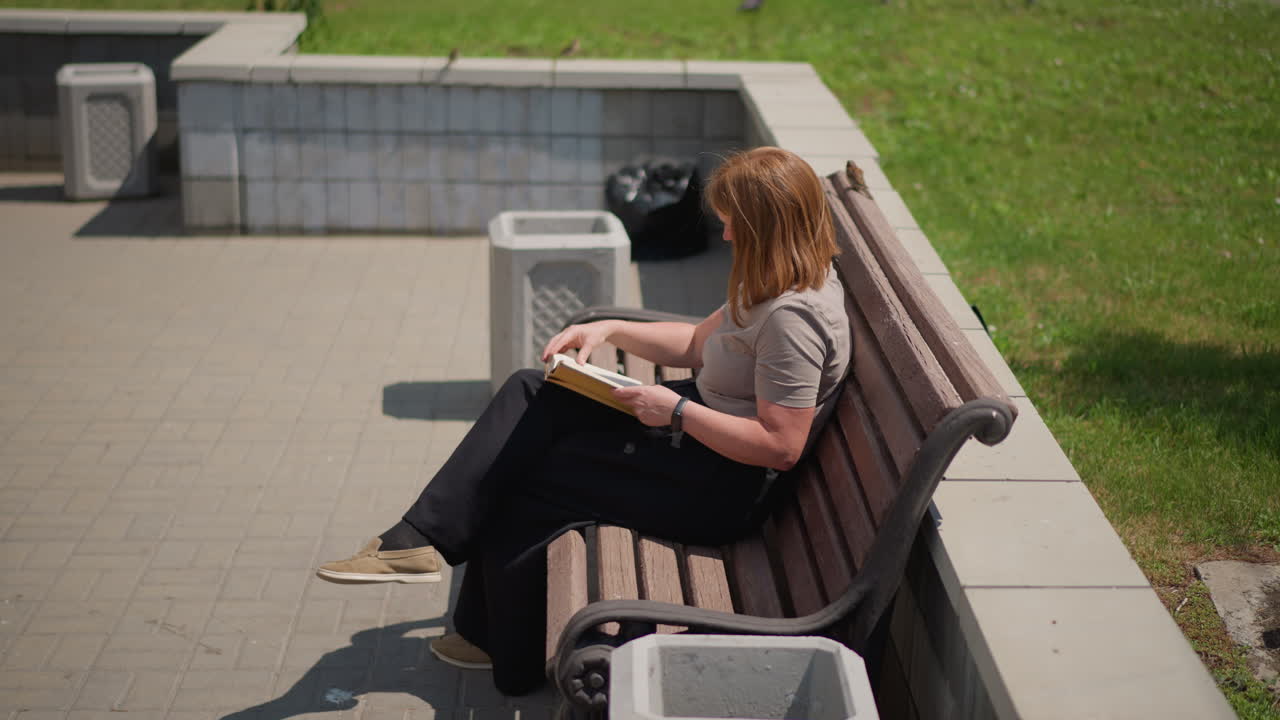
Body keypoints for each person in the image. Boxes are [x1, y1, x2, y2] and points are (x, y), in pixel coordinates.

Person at [314, 146, 853, 695]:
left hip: (715, 483)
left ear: (769, 227)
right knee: (532, 390)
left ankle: (503, 646)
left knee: (528, 472)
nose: (727, 237)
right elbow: (696, 342)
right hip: (690, 439)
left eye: (735, 225)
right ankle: (422, 546)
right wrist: (609, 330)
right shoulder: (772, 280)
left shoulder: (794, 319)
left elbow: (780, 445)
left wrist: (679, 412)